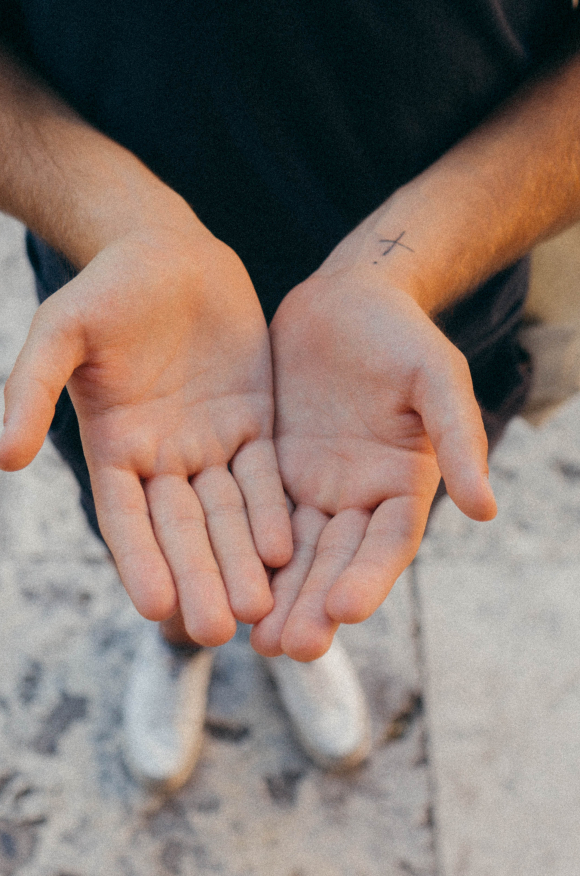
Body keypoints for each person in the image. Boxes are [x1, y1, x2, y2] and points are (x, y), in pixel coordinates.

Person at [0, 1, 579, 791]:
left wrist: (406, 264)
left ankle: (301, 628)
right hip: (135, 331)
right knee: (165, 543)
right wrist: (122, 221)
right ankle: (178, 641)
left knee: (334, 540)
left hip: (413, 333)